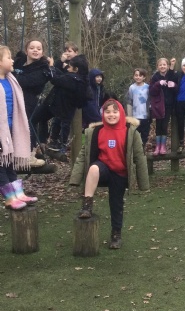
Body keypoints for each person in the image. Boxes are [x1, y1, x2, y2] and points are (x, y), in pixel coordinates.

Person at [69, 99, 149, 249]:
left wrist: (143, 183)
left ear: (121, 113)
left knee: (116, 204)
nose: (111, 115)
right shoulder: (96, 131)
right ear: (103, 114)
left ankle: (116, 234)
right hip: (103, 169)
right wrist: (75, 178)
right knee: (93, 168)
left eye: (114, 111)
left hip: (120, 173)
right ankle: (87, 205)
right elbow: (82, 156)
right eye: (107, 112)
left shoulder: (131, 132)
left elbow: (139, 157)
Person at [0, 45, 38, 209]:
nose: (12, 60)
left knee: (9, 163)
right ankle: (9, 198)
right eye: (8, 58)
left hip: (10, 130)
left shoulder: (11, 80)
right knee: (1, 165)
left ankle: (18, 193)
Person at [32, 55, 89, 151]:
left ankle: (53, 144)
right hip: (56, 106)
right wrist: (56, 64)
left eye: (70, 67)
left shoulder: (73, 80)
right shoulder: (78, 79)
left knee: (35, 120)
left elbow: (55, 79)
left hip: (58, 107)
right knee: (43, 119)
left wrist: (51, 66)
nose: (68, 68)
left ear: (76, 69)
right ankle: (44, 143)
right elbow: (61, 75)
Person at [13, 38, 51, 168]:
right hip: (14, 96)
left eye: (39, 49)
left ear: (42, 52)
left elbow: (26, 82)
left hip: (29, 99)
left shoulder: (43, 69)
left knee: (27, 123)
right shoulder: (19, 62)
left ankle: (29, 154)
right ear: (26, 50)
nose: (35, 50)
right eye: (32, 48)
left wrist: (12, 75)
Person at [48, 42, 81, 153]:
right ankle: (54, 140)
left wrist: (63, 67)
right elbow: (56, 74)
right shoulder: (64, 62)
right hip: (60, 97)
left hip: (70, 100)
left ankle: (62, 144)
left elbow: (59, 77)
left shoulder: (79, 64)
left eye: (70, 51)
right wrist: (60, 62)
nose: (67, 53)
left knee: (65, 122)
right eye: (66, 51)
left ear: (76, 52)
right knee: (57, 120)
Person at [150, 58, 177, 155]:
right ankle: (157, 146)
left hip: (168, 105)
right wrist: (158, 84)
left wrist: (174, 85)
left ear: (167, 66)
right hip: (158, 105)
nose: (162, 66)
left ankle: (163, 146)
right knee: (159, 125)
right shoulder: (155, 77)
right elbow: (151, 91)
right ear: (157, 67)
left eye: (164, 64)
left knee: (164, 125)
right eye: (160, 65)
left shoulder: (171, 75)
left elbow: (176, 88)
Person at [126, 68, 150, 147]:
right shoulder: (132, 87)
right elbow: (129, 102)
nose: (138, 77)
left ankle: (142, 150)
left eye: (140, 75)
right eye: (136, 75)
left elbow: (150, 101)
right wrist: (129, 117)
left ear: (144, 77)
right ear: (133, 76)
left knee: (144, 135)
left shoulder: (148, 87)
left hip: (145, 116)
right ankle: (135, 150)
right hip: (135, 117)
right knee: (135, 135)